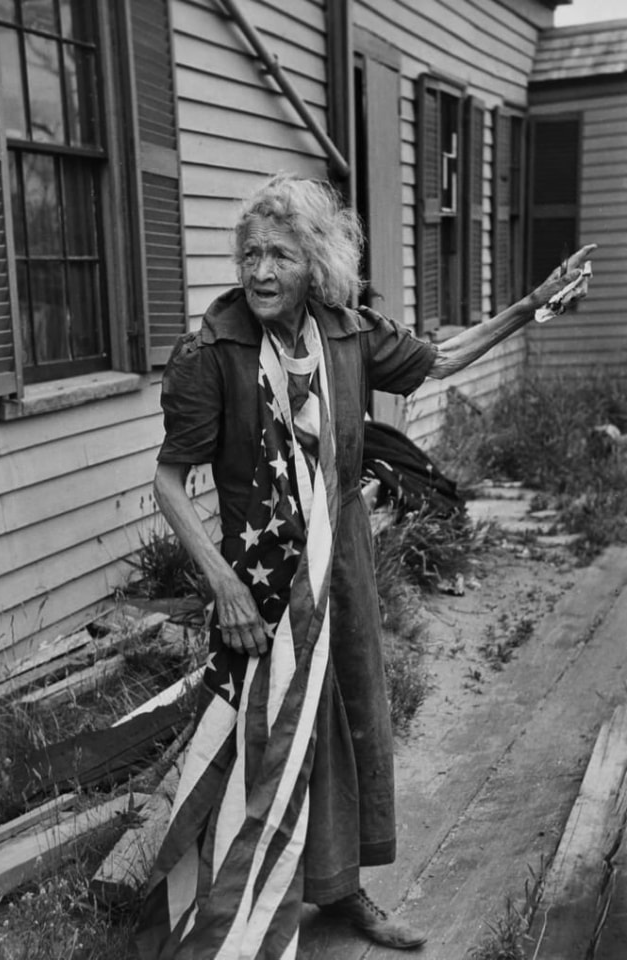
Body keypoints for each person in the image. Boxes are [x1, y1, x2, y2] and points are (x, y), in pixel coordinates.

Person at [136, 173, 595, 960]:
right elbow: (169, 482)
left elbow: (441, 358)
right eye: (249, 254)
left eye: (279, 254)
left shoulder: (343, 331)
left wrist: (530, 307)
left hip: (341, 550)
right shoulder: (209, 352)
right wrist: (223, 585)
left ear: (313, 264)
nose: (260, 272)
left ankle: (341, 892)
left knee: (351, 716)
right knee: (272, 730)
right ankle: (245, 897)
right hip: (261, 570)